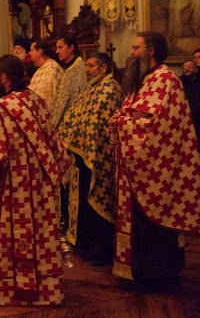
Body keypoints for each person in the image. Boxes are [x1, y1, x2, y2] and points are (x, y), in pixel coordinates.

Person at [0, 54, 72, 306]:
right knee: (40, 238)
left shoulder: (5, 109)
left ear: (5, 77)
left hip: (13, 189)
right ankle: (45, 290)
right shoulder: (38, 102)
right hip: (41, 189)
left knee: (3, 237)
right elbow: (59, 151)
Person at [110, 31, 200, 289]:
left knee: (154, 222)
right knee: (139, 222)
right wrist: (121, 118)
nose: (131, 52)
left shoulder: (165, 79)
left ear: (151, 50)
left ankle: (158, 273)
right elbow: (135, 112)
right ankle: (139, 270)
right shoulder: (144, 79)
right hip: (140, 167)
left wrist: (122, 123)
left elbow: (157, 126)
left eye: (136, 48)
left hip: (158, 168)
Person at [57, 53, 124, 266]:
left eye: (91, 65)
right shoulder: (91, 88)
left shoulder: (110, 90)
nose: (87, 69)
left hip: (97, 158)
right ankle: (81, 242)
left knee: (95, 200)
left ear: (103, 68)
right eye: (86, 65)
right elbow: (73, 115)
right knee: (81, 203)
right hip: (80, 157)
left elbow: (97, 127)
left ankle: (98, 249)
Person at [51, 34, 86, 127]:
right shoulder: (68, 67)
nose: (57, 51)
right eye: (57, 48)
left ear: (71, 48)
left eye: (60, 47)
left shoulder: (79, 69)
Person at [28, 39, 63, 109]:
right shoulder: (43, 68)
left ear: (39, 52)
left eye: (31, 50)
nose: (29, 53)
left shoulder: (51, 69)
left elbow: (46, 98)